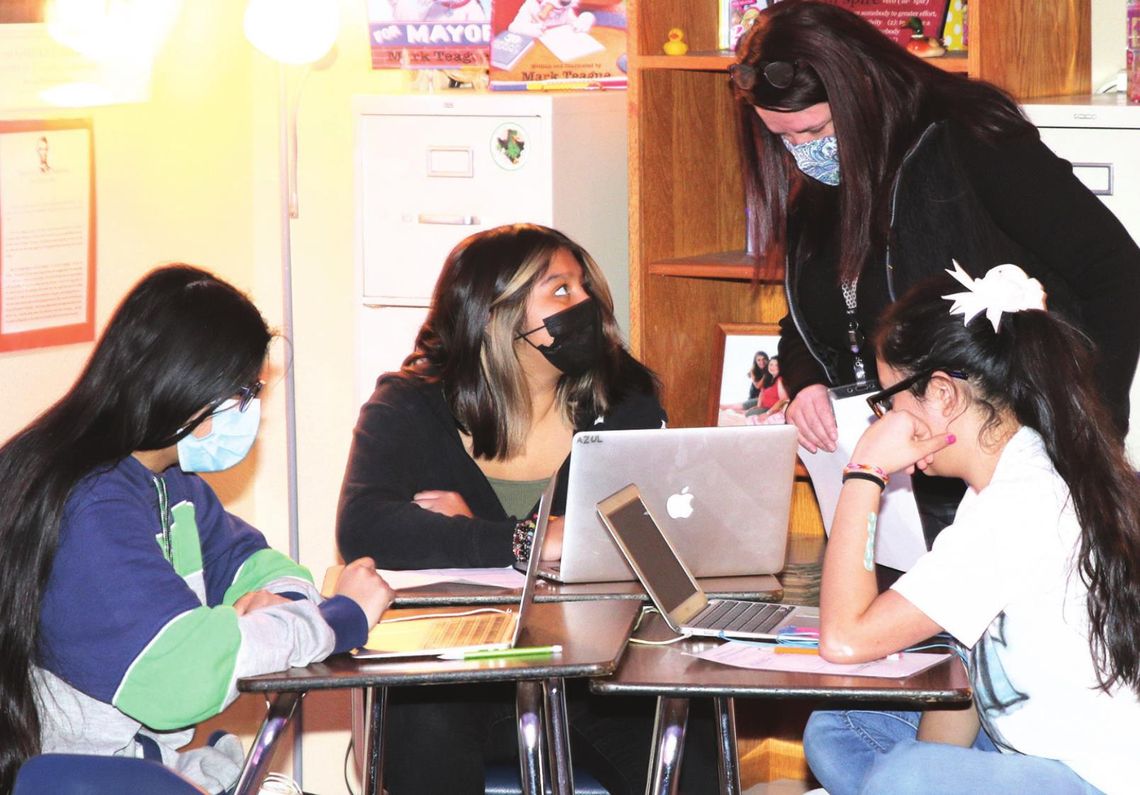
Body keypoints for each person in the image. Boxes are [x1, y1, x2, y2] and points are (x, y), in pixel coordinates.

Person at [730, 0, 1140, 543]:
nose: (805, 151)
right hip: (905, 482)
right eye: (785, 139)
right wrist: (805, 381)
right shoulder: (822, 189)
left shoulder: (972, 140)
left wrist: (1089, 427)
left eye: (816, 129)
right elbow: (820, 314)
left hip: (1013, 459)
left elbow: (1116, 272)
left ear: (860, 91)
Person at [336, 223, 714, 794]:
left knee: (689, 741)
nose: (585, 304)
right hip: (459, 678)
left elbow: (657, 541)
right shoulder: (410, 406)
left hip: (595, 674)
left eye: (584, 287)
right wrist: (527, 542)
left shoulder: (625, 400)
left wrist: (470, 530)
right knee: (420, 721)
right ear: (493, 314)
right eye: (560, 291)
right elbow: (366, 528)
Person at [0, 265, 394, 795]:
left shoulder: (169, 481)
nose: (251, 411)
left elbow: (267, 568)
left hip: (141, 769)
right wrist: (340, 619)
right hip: (87, 779)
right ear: (189, 383)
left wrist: (258, 617)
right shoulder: (89, 505)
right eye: (246, 393)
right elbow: (183, 679)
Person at [802, 266, 1140, 795]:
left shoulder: (1021, 503)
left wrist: (864, 471)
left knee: (903, 775)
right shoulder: (1000, 483)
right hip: (1025, 749)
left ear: (941, 393)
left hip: (1090, 779)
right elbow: (970, 688)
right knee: (839, 726)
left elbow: (845, 639)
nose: (884, 417)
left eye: (889, 399)